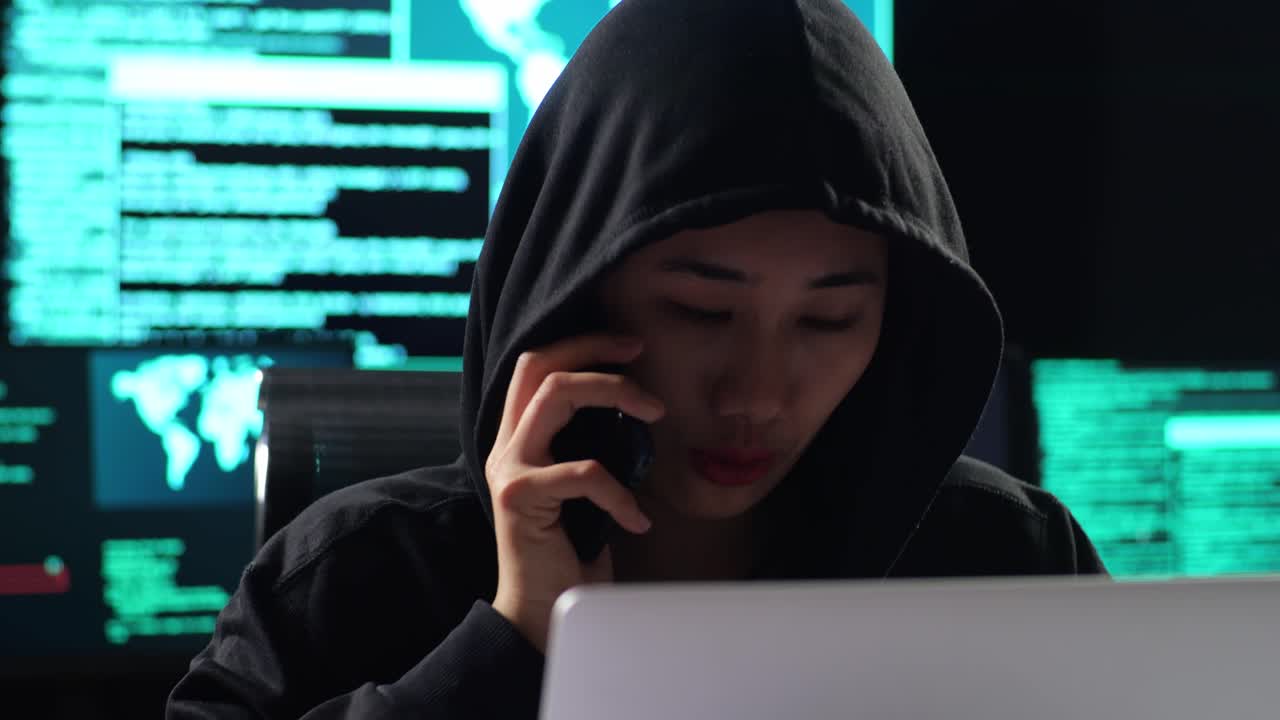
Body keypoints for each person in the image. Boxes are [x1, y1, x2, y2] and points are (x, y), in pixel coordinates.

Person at [166, 0, 1106, 717]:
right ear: (582, 288)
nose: (757, 392)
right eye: (702, 309)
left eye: (829, 323)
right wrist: (517, 639)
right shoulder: (348, 581)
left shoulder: (1009, 560)